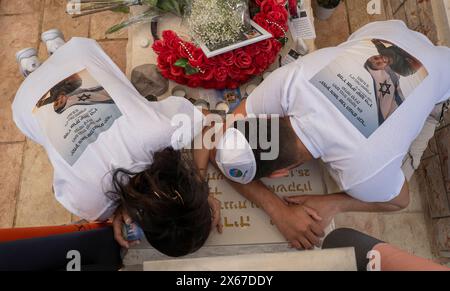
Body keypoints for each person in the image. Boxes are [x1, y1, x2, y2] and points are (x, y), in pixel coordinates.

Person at [198, 20, 450, 250]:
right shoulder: (287, 82)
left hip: (443, 74)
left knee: (396, 177)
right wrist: (278, 210)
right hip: (384, 31)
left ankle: (433, 110)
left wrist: (335, 202)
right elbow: (218, 141)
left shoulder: (362, 175)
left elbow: (400, 201)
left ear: (280, 174)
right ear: (265, 118)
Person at [13, 37, 222, 258]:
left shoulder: (163, 133)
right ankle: (36, 68)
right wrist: (119, 207)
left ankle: (54, 53)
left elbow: (206, 119)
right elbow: (57, 189)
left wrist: (197, 188)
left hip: (77, 53)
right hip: (25, 101)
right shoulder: (93, 207)